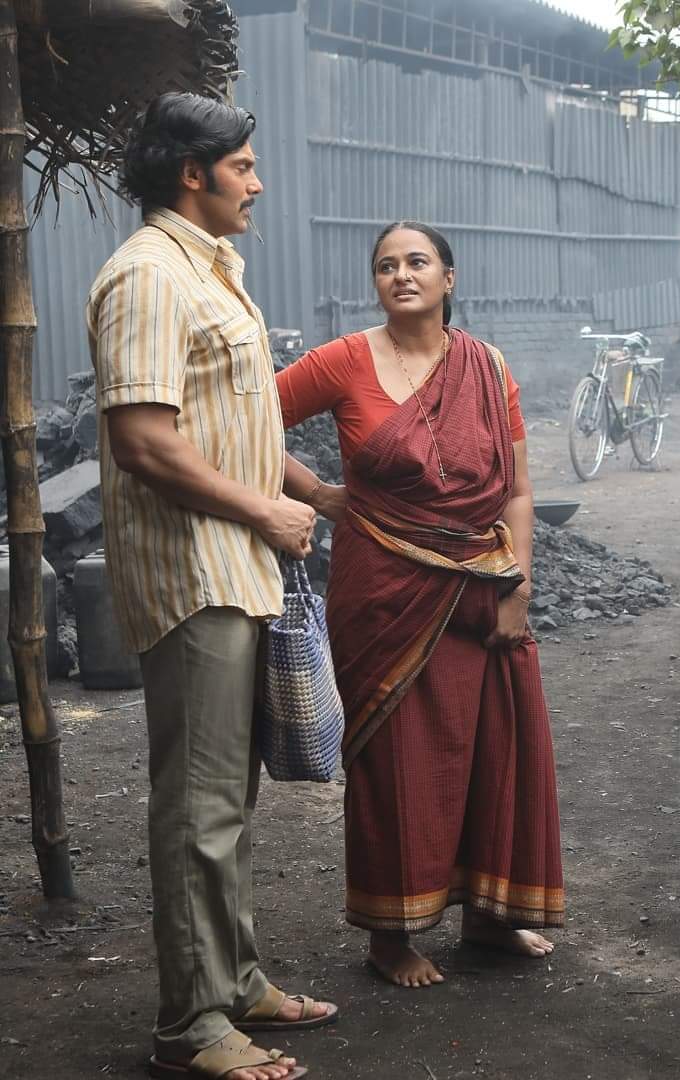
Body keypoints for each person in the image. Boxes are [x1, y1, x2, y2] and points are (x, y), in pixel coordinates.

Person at [87, 92, 337, 1080]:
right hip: (195, 572)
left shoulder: (209, 271)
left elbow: (227, 423)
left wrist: (305, 494)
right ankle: (192, 1025)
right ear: (193, 171)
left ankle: (235, 984)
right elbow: (143, 440)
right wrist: (264, 513)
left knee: (226, 802)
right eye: (242, 165)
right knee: (197, 809)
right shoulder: (147, 277)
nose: (256, 181)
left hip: (234, 565)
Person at [275, 221, 565, 989]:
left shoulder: (486, 364)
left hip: (482, 585)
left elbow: (518, 491)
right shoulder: (343, 360)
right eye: (384, 266)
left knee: (493, 744)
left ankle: (491, 917)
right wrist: (318, 493)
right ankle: (390, 932)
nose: (400, 275)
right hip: (385, 595)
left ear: (448, 277)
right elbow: (241, 421)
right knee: (399, 760)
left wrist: (519, 586)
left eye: (416, 262)